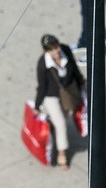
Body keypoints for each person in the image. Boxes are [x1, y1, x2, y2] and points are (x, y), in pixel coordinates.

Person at [34, 34, 86, 171]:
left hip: (68, 93)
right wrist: (37, 105)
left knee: (65, 115)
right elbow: (42, 86)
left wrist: (81, 83)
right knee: (62, 124)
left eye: (56, 47)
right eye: (51, 49)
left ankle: (52, 125)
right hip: (51, 96)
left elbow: (74, 68)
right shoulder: (43, 64)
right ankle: (62, 153)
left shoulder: (66, 50)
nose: (56, 51)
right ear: (46, 51)